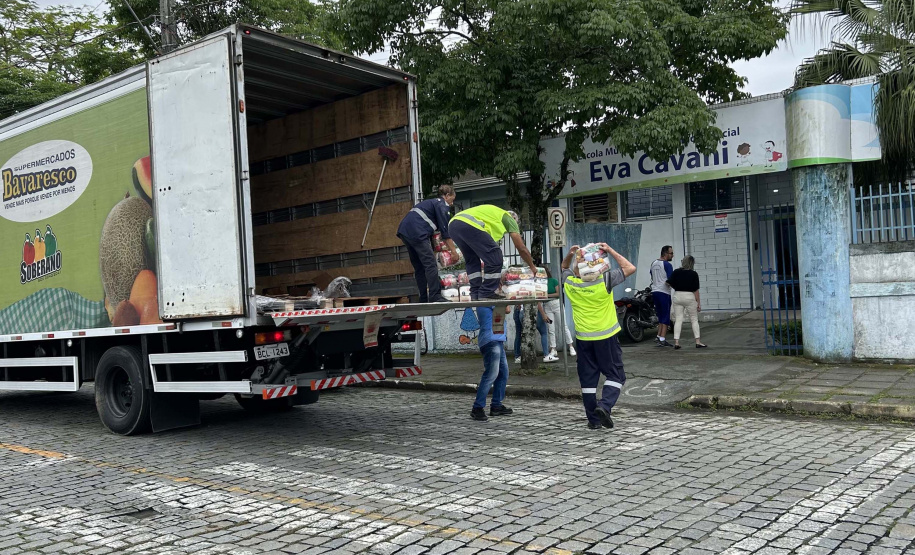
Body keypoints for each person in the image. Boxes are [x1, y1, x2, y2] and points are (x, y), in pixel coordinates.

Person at [561, 243, 636, 430]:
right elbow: (630, 268)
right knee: (616, 375)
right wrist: (610, 250)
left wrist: (571, 254)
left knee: (588, 381)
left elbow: (563, 269)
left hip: (584, 340)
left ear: (578, 271)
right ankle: (604, 406)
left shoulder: (571, 284)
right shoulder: (604, 281)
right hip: (606, 337)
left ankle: (593, 421)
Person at [449, 205, 537, 300]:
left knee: (472, 259)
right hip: (468, 224)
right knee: (495, 255)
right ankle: (486, 292)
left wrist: (495, 278)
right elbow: (521, 247)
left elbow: (486, 255)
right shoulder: (509, 218)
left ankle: (475, 293)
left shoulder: (491, 217)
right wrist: (532, 266)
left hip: (453, 226)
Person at [397, 185, 460, 303]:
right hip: (417, 232)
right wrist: (454, 252)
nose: (451, 204)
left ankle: (423, 298)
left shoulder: (430, 203)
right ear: (446, 196)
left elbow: (431, 233)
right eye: (452, 199)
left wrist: (434, 249)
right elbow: (445, 232)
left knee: (420, 267)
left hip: (405, 231)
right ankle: (435, 296)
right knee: (431, 264)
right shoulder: (442, 204)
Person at [471, 305, 513, 421]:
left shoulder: (488, 299)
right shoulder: (489, 300)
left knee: (503, 373)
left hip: (496, 339)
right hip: (491, 340)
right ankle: (477, 407)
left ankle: (496, 405)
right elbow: (507, 309)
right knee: (491, 374)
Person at [667, 255, 707, 349]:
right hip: (689, 296)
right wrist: (698, 303)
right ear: (692, 263)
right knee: (694, 319)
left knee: (678, 319)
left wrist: (677, 288)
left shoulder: (676, 272)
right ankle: (698, 341)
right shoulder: (693, 274)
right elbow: (696, 290)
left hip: (677, 295)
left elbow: (668, 282)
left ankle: (676, 342)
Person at [542, 268, 576, 358]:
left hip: (556, 305)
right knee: (551, 328)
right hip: (547, 306)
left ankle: (571, 346)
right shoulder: (540, 283)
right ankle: (553, 348)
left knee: (563, 326)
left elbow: (558, 294)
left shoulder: (553, 281)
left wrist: (546, 295)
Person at [650, 245, 674, 347]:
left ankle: (658, 336)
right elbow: (670, 280)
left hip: (655, 291)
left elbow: (651, 275)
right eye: (671, 253)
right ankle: (663, 339)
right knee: (665, 316)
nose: (673, 255)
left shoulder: (653, 263)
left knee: (660, 315)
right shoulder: (667, 265)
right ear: (665, 254)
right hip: (664, 293)